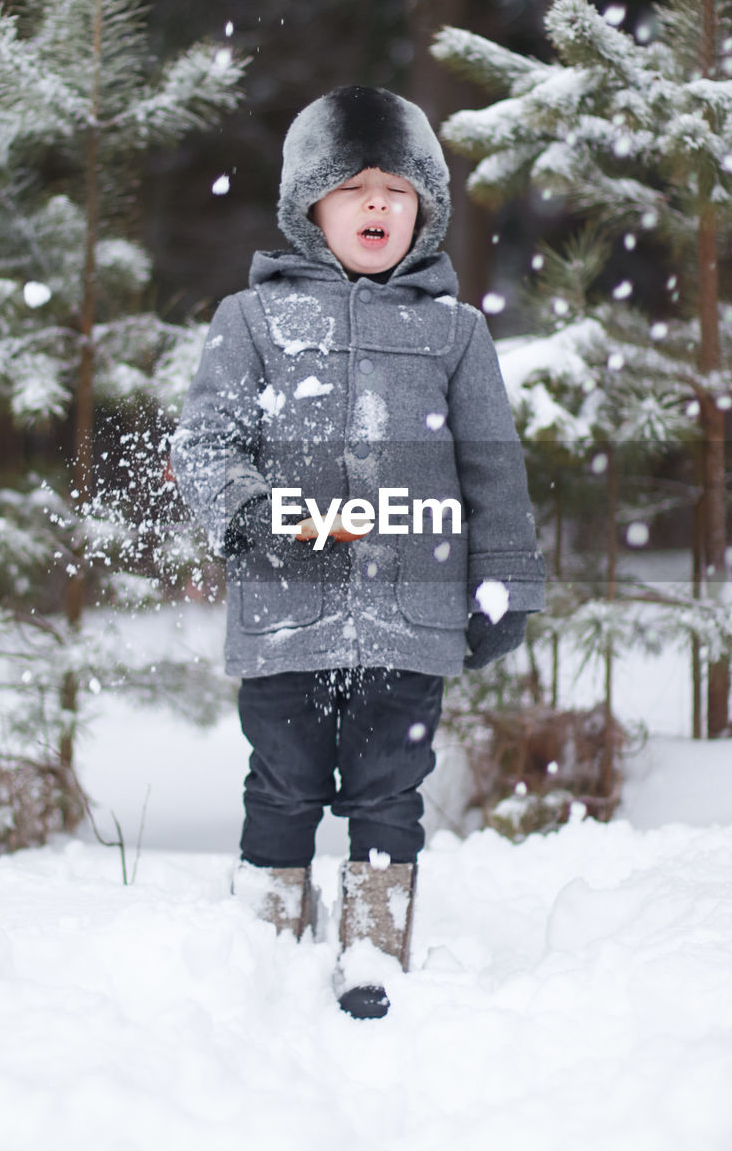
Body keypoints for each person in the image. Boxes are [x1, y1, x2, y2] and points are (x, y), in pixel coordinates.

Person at [170, 85, 545, 1018]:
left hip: (411, 615)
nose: (377, 205)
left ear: (424, 211)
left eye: (397, 190)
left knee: (389, 789)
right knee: (283, 782)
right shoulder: (251, 323)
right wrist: (258, 516)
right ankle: (263, 933)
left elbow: (491, 471)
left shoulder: (455, 333)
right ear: (309, 208)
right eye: (353, 187)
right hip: (287, 614)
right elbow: (205, 445)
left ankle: (372, 948)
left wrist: (506, 582)